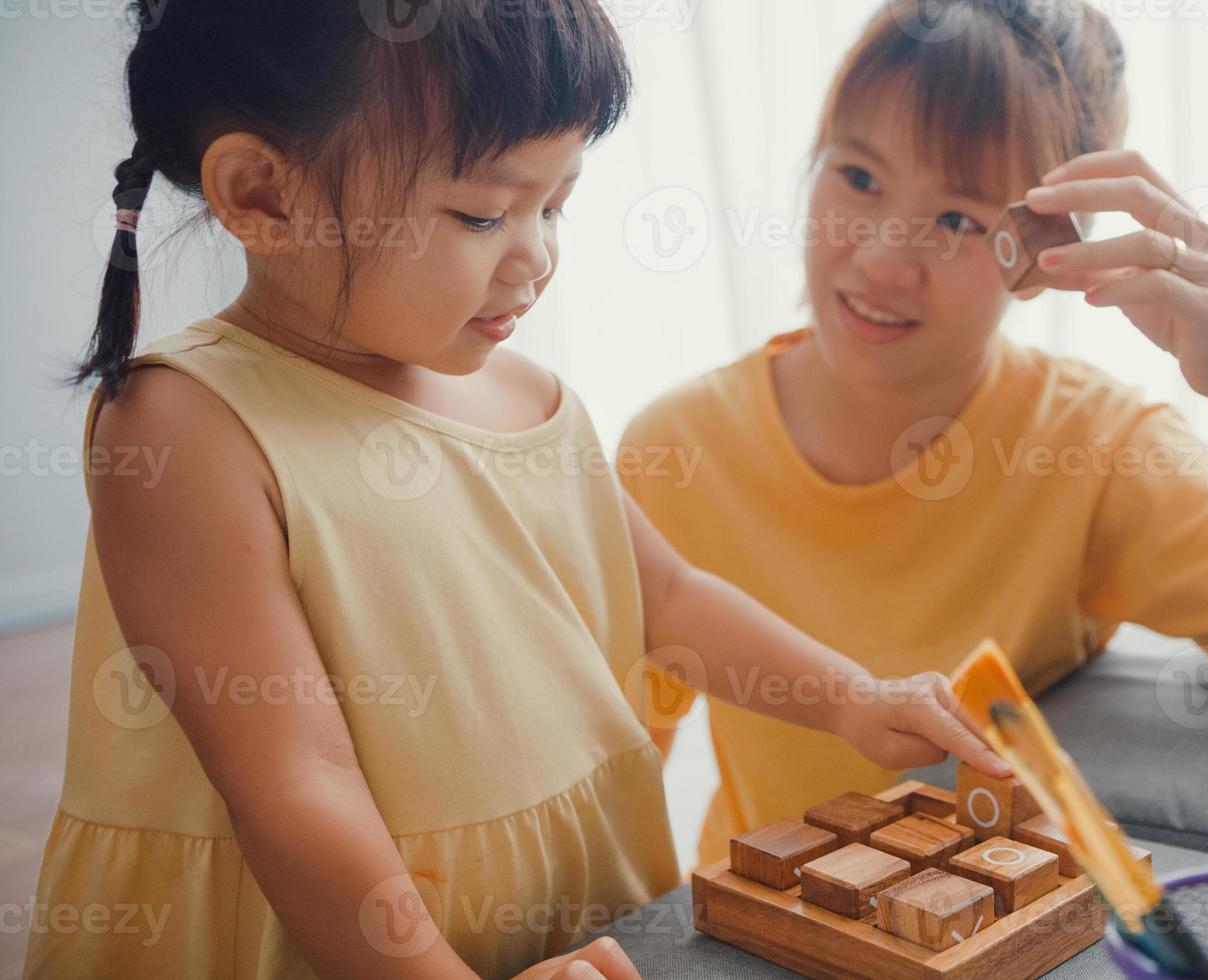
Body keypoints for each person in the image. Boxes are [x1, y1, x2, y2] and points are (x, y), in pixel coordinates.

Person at [28, 3, 1004, 977]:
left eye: (555, 205)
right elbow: (295, 784)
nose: (535, 256)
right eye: (484, 214)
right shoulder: (185, 425)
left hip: (570, 904)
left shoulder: (531, 397)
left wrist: (851, 697)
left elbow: (667, 598)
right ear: (263, 195)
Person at [621, 0, 1208, 868]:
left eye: (957, 220)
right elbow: (611, 771)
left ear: (1041, 254)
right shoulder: (676, 448)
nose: (881, 257)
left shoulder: (1090, 447)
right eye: (857, 177)